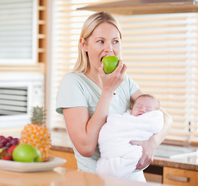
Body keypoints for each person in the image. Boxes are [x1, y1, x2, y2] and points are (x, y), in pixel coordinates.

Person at [56, 12, 173, 182]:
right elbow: (86, 147)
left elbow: (166, 118)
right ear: (84, 44)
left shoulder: (124, 81)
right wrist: (108, 90)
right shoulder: (72, 83)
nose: (109, 49)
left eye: (115, 41)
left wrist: (151, 143)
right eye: (100, 41)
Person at [96, 94, 164, 178]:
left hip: (132, 153)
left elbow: (158, 126)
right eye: (138, 106)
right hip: (112, 149)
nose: (142, 110)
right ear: (132, 108)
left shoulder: (150, 123)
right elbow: (112, 127)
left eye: (148, 110)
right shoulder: (124, 119)